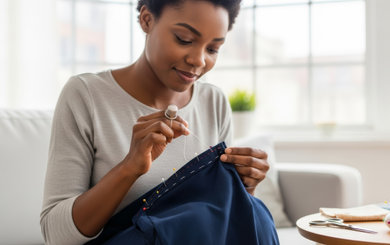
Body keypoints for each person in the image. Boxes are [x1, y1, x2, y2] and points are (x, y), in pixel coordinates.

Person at [40, 0, 270, 244]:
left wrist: (244, 186)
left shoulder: (214, 101)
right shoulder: (86, 95)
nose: (199, 60)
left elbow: (221, 221)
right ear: (147, 20)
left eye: (212, 49)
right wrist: (130, 167)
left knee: (259, 217)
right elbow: (56, 235)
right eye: (184, 39)